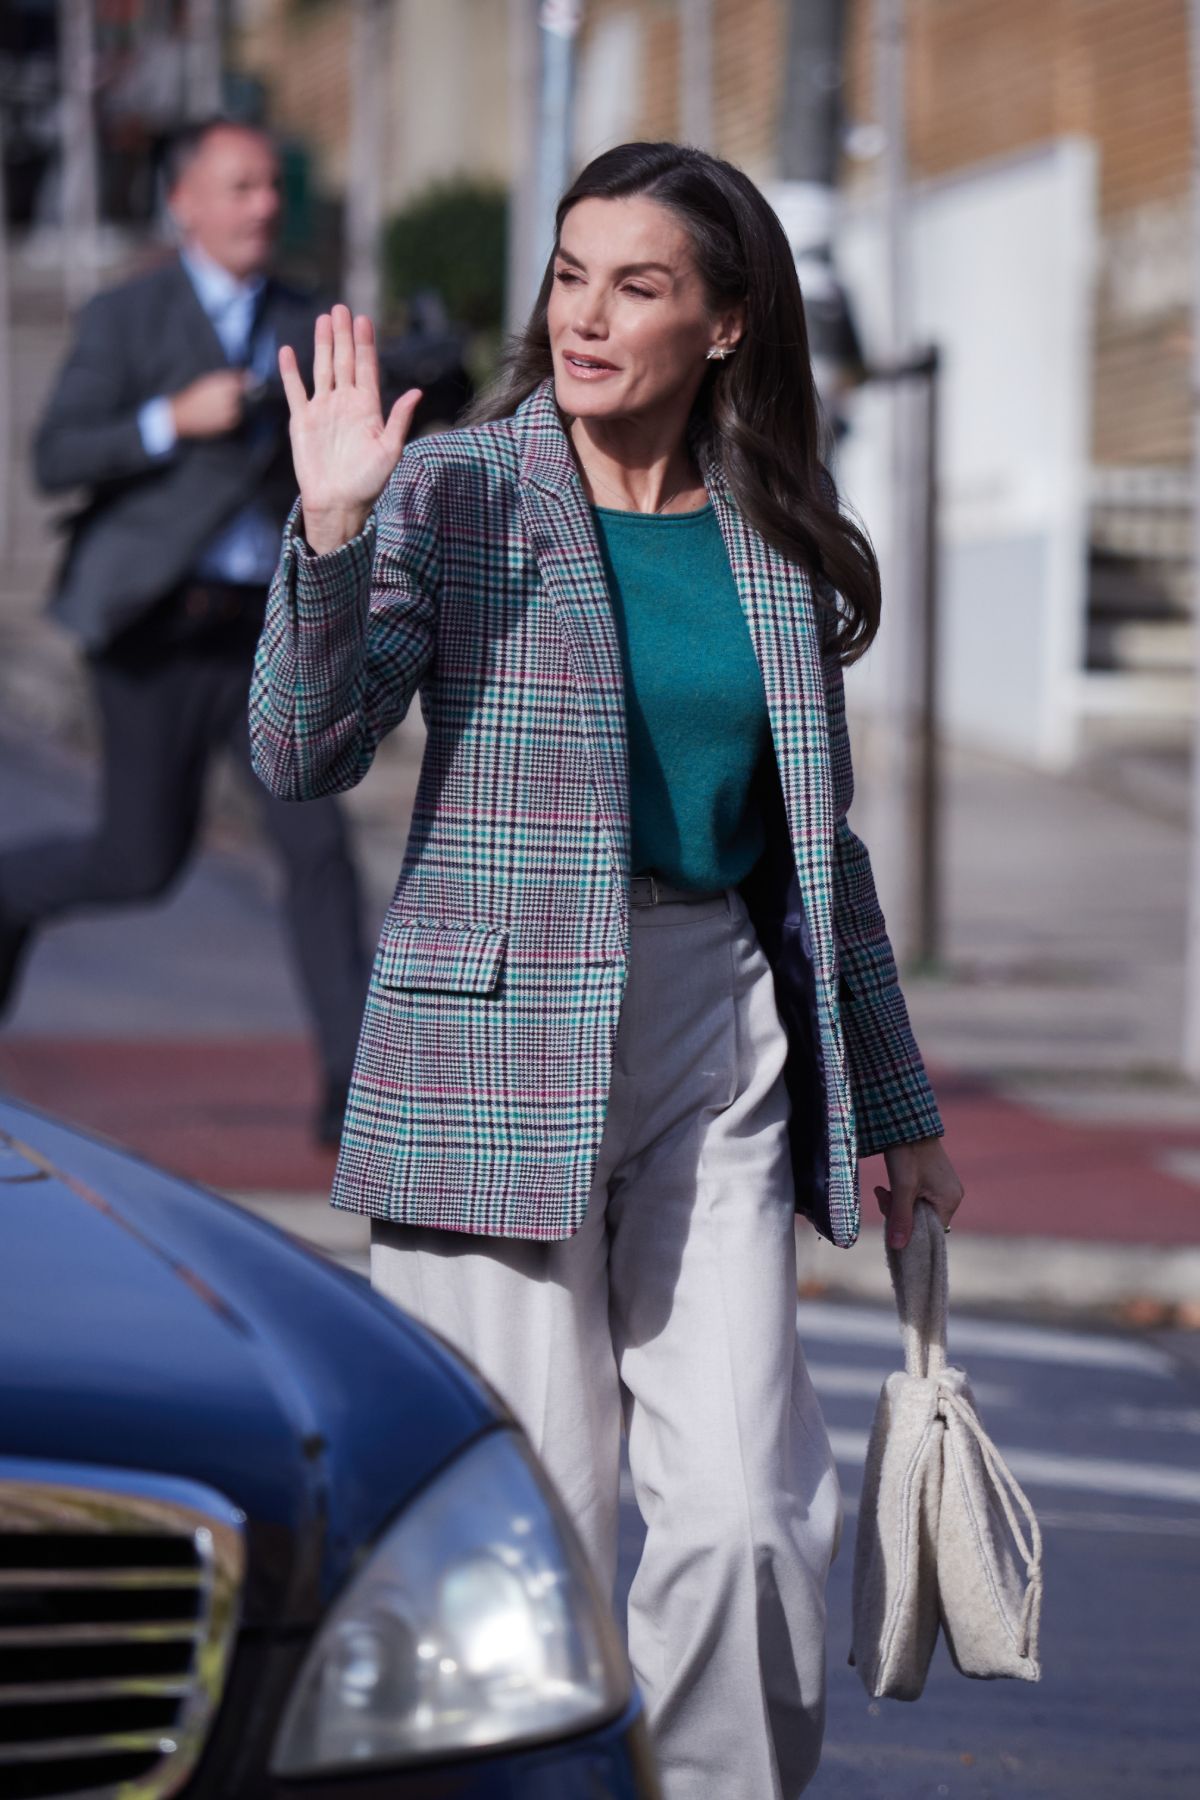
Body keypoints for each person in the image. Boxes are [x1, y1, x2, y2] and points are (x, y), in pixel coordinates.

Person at [250, 141, 965, 1798]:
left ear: (725, 324)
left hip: (722, 1036)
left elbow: (821, 844)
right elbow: (297, 752)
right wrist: (336, 526)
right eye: (571, 274)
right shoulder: (460, 492)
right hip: (494, 1044)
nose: (585, 316)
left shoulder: (778, 533)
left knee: (743, 1529)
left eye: (638, 285)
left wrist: (899, 1095)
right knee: (535, 1528)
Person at [0, 119, 367, 1144]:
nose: (263, 205)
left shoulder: (310, 318)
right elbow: (57, 457)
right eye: (239, 186)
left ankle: (354, 1092)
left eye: (269, 187)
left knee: (318, 846)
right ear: (185, 203)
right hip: (155, 630)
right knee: (137, 860)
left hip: (266, 634)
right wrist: (174, 418)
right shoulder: (128, 315)